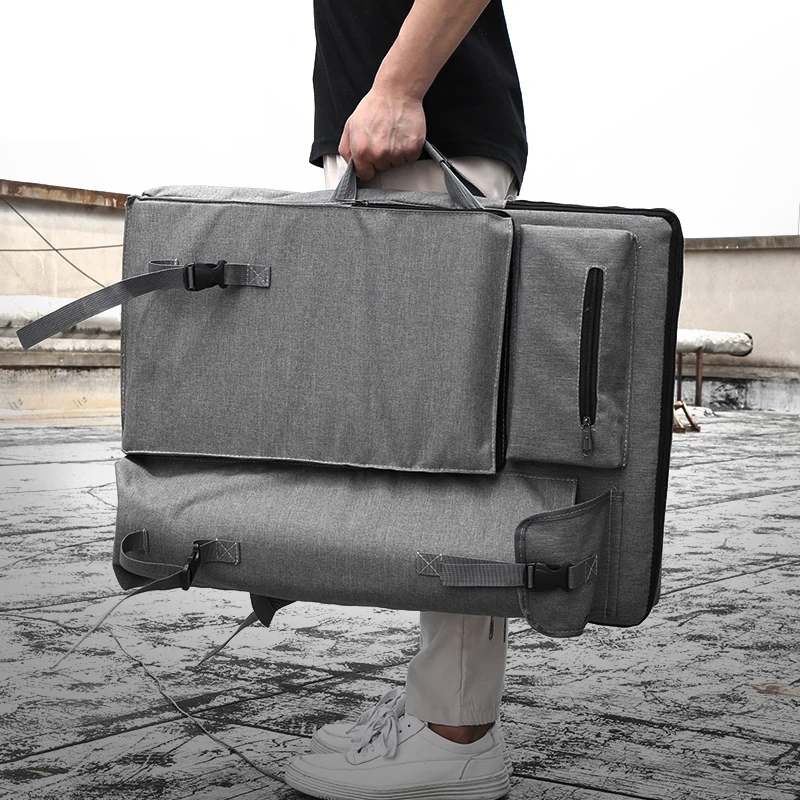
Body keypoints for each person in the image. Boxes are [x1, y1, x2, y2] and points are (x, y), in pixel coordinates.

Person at [284, 2, 527, 798]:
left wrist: (397, 86)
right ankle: (441, 707)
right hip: (399, 139)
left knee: (446, 442)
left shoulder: (407, 106)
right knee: (431, 436)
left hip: (421, 137)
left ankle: (457, 734)